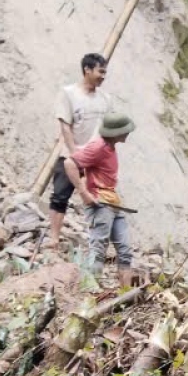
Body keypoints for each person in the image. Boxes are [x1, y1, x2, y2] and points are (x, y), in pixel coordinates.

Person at [48, 52, 111, 253]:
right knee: (60, 196)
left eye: (105, 72)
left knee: (99, 200)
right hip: (71, 155)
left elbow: (107, 129)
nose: (103, 76)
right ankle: (54, 238)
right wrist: (76, 154)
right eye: (100, 71)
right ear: (87, 70)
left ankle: (99, 244)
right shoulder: (68, 94)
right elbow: (65, 126)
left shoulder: (105, 98)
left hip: (96, 160)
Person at [64, 112, 135, 274]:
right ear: (116, 132)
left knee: (125, 252)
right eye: (125, 131)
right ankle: (91, 291)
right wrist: (84, 193)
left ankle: (127, 292)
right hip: (100, 203)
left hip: (113, 203)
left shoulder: (110, 147)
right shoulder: (98, 147)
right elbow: (70, 163)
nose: (128, 134)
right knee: (98, 251)